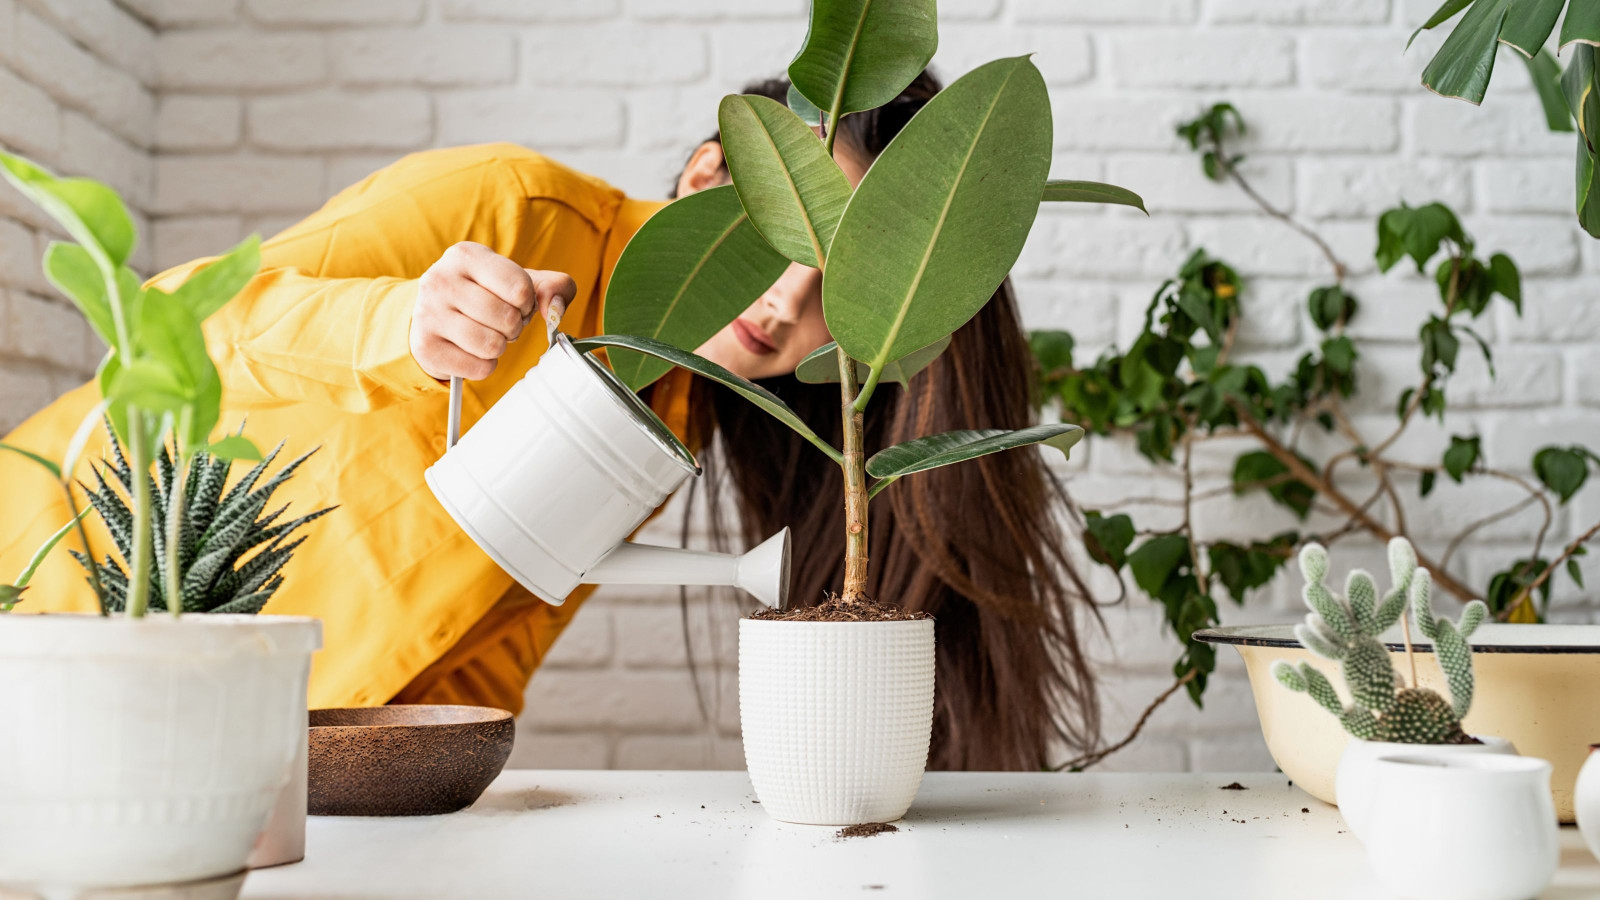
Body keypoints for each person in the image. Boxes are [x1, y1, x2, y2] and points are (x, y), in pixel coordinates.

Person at [0, 70, 1099, 770]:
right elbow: (164, 325)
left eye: (836, 301)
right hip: (44, 592)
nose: (785, 310)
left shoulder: (675, 406)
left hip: (203, 738)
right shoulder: (511, 209)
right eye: (786, 250)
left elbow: (486, 627)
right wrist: (401, 320)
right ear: (711, 173)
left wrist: (431, 782)